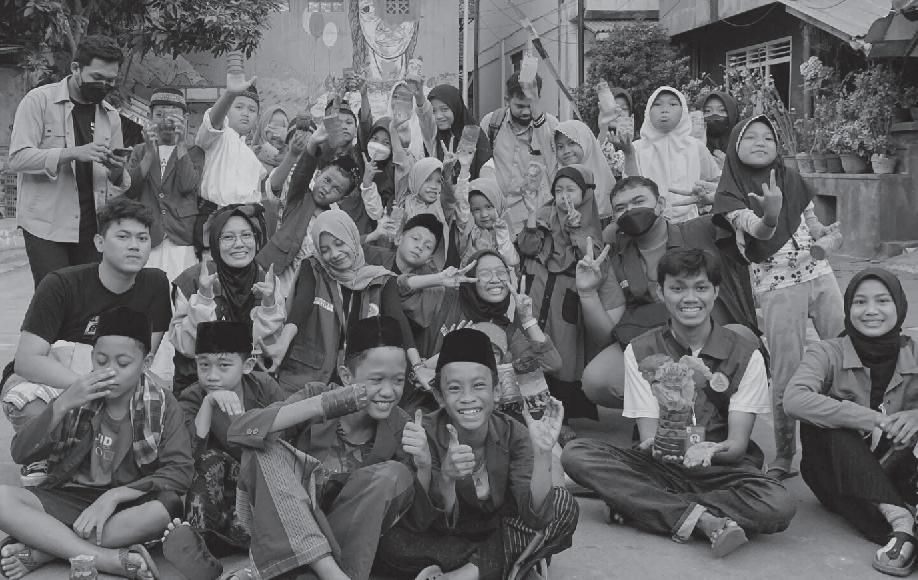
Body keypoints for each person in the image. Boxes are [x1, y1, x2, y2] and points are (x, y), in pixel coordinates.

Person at [562, 248, 795, 558]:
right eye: (677, 288)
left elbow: (737, 445)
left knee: (779, 503)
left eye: (701, 287)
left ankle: (643, 505)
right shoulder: (640, 350)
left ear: (716, 292)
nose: (690, 298)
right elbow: (649, 436)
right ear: (661, 292)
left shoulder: (746, 354)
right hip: (662, 464)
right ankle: (702, 519)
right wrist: (662, 446)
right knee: (576, 454)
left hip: (720, 469)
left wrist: (709, 450)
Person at [0, 307, 193, 580]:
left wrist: (113, 496)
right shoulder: (78, 395)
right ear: (92, 356)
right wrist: (62, 404)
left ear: (146, 362)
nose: (109, 371)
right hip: (70, 497)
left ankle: (48, 548)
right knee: (2, 500)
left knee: (165, 509)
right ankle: (108, 560)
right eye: (101, 361)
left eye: (123, 363)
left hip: (126, 506)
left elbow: (180, 471)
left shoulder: (162, 404)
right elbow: (21, 453)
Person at [376, 327, 579, 579]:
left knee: (562, 505)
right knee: (390, 543)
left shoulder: (514, 434)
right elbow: (420, 521)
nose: (467, 398)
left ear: (496, 391)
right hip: (447, 539)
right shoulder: (422, 432)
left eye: (479, 386)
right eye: (454, 388)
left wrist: (543, 453)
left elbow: (536, 518)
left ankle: (464, 574)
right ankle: (512, 564)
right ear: (439, 396)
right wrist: (447, 478)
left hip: (500, 530)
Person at [229, 316, 420, 580]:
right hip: (289, 529)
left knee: (395, 473)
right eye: (377, 380)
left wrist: (424, 462)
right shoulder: (317, 395)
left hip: (345, 545)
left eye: (398, 381)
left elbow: (419, 517)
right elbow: (241, 431)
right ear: (346, 376)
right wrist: (321, 405)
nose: (388, 391)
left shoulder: (401, 426)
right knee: (262, 449)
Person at [712, 114, 844, 481]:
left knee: (845, 355)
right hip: (778, 286)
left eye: (768, 137)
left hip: (820, 275)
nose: (761, 142)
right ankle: (785, 453)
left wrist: (827, 234)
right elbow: (756, 229)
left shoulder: (791, 178)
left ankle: (852, 439)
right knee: (788, 371)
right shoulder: (731, 192)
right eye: (750, 137)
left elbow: (812, 225)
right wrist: (769, 216)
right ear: (734, 147)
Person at [1, 199, 171, 461]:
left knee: (165, 403)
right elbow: (27, 360)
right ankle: (42, 460)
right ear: (99, 243)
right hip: (51, 379)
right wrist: (87, 387)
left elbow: (144, 357)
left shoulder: (156, 284)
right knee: (31, 408)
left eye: (142, 238)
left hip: (115, 379)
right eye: (123, 236)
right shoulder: (61, 284)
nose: (134, 245)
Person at [578, 176, 764, 407]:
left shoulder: (701, 229)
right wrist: (587, 293)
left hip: (710, 337)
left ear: (660, 204)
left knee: (742, 339)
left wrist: (726, 202)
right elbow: (606, 335)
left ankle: (712, 410)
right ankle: (665, 410)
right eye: (620, 208)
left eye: (639, 201)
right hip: (655, 345)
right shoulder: (615, 255)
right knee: (597, 380)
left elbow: (762, 224)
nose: (631, 211)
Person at [785, 268, 918, 577]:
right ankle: (901, 522)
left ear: (899, 306)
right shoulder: (826, 352)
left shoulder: (914, 350)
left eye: (882, 300)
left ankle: (904, 534)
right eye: (860, 302)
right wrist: (871, 419)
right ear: (848, 309)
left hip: (897, 469)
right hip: (837, 474)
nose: (871, 311)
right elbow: (794, 399)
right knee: (825, 423)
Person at [9, 34, 132, 286]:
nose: (104, 85)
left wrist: (117, 170)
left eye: (110, 80)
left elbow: (116, 181)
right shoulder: (39, 101)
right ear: (76, 68)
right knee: (54, 297)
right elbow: (18, 159)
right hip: (46, 226)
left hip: (93, 226)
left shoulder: (111, 116)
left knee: (88, 300)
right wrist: (73, 153)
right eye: (97, 77)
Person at [265, 209, 427, 394]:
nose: (334, 254)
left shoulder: (383, 280)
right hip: (307, 379)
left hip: (359, 381)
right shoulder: (313, 267)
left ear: (352, 237)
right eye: (325, 250)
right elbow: (302, 303)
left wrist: (418, 366)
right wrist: (283, 342)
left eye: (339, 243)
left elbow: (399, 322)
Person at [178, 321, 286, 555]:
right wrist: (208, 405)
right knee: (209, 459)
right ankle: (199, 546)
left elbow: (280, 446)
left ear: (247, 365)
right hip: (216, 495)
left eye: (224, 366)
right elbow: (186, 459)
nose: (211, 376)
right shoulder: (192, 397)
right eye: (204, 365)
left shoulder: (265, 388)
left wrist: (241, 421)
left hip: (259, 483)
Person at [517, 165, 610, 424]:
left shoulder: (591, 224)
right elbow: (527, 246)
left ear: (585, 194)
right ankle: (527, 413)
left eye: (571, 190)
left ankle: (560, 419)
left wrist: (576, 230)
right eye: (558, 190)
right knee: (530, 346)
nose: (564, 196)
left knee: (563, 355)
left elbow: (592, 260)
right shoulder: (544, 215)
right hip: (538, 292)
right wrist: (531, 214)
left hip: (565, 300)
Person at [171, 203, 281, 395]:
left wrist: (269, 306)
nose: (239, 244)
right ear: (215, 242)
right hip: (198, 385)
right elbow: (186, 348)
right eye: (228, 237)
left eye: (246, 235)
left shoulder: (267, 281)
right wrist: (204, 299)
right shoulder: (193, 280)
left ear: (256, 240)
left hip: (250, 384)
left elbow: (268, 350)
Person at [257, 126, 362, 297]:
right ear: (318, 174)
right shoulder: (299, 198)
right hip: (279, 278)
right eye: (326, 180)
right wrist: (311, 145)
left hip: (312, 287)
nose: (327, 189)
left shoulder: (335, 220)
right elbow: (301, 175)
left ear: (341, 198)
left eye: (336, 189)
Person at [122, 87, 204, 282]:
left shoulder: (195, 151)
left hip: (181, 234)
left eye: (174, 116)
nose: (166, 121)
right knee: (147, 287)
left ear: (185, 118)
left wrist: (181, 144)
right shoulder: (140, 151)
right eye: (159, 115)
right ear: (149, 117)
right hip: (147, 232)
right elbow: (130, 189)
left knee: (182, 289)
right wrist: (150, 153)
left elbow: (187, 185)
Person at [620, 86, 720, 223]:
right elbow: (630, 187)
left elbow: (715, 180)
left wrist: (704, 197)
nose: (664, 109)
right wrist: (628, 154)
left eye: (673, 104)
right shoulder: (636, 148)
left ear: (683, 111)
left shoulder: (695, 147)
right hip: (649, 223)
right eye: (657, 104)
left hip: (689, 223)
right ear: (648, 111)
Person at [480, 72, 559, 235]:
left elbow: (556, 166)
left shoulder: (550, 126)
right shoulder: (491, 123)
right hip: (498, 219)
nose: (526, 112)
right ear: (507, 100)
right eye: (519, 106)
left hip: (535, 220)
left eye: (530, 105)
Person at [194, 67, 266, 207]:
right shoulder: (218, 136)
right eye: (239, 107)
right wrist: (230, 94)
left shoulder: (252, 157)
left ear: (257, 118)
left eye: (252, 110)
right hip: (214, 213)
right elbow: (212, 122)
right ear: (227, 110)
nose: (246, 113)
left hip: (245, 215)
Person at [418, 83, 492, 180]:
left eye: (444, 109)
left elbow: (486, 175)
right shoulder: (432, 136)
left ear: (456, 107)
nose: (438, 116)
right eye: (433, 111)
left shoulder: (473, 134)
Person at [554, 120, 616, 218]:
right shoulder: (557, 180)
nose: (566, 151)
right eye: (560, 147)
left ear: (585, 142)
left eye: (571, 143)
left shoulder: (603, 179)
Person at [697, 91, 739, 163]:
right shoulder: (689, 146)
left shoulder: (744, 144)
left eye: (722, 110)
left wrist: (728, 167)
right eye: (707, 111)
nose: (714, 114)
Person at [252, 106, 289, 172]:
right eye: (273, 127)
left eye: (283, 127)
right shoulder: (250, 156)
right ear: (263, 128)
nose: (278, 133)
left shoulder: (294, 157)